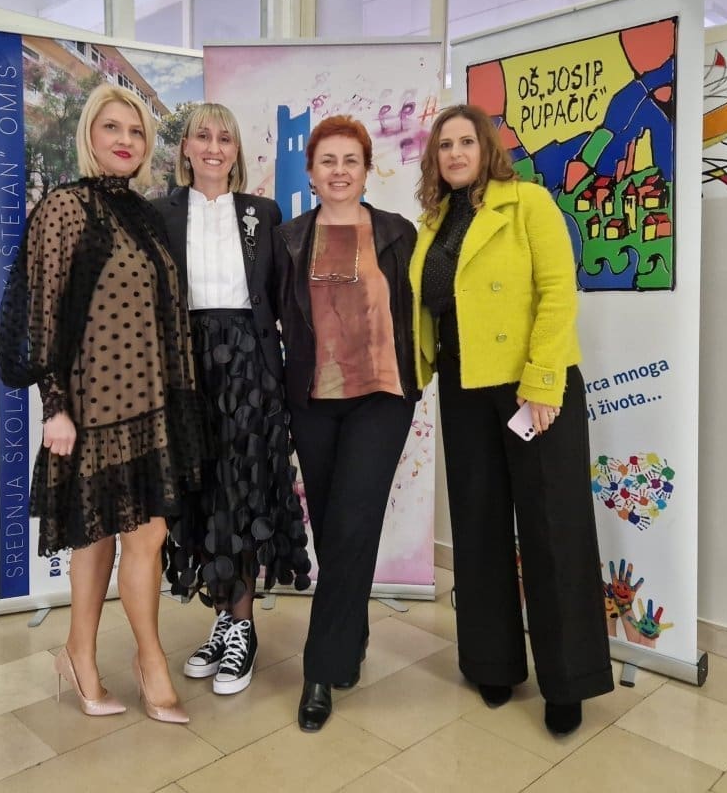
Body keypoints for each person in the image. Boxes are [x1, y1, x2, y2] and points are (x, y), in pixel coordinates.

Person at [0, 83, 206, 724]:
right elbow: (43, 311)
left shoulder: (145, 214)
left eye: (136, 131)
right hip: (91, 406)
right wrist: (54, 405)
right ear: (89, 134)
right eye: (112, 127)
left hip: (149, 405)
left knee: (142, 534)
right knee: (96, 539)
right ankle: (87, 658)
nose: (125, 140)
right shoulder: (65, 207)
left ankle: (140, 659)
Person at [410, 104, 613, 736]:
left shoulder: (529, 203)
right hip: (464, 384)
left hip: (533, 386)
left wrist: (545, 380)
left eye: (466, 142)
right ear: (435, 158)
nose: (455, 153)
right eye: (445, 145)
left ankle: (568, 680)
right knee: (478, 525)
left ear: (487, 149)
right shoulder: (433, 220)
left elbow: (557, 292)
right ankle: (491, 662)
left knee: (554, 529)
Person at [153, 103, 311, 696]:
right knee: (202, 493)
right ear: (186, 147)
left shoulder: (261, 213)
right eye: (203, 136)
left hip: (248, 362)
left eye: (225, 137)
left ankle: (242, 627)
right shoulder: (160, 213)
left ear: (237, 150)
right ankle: (223, 620)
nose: (214, 147)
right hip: (186, 364)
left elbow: (282, 298)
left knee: (242, 494)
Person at [273, 115, 420, 732]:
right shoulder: (287, 240)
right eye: (327, 161)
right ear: (310, 172)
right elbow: (273, 320)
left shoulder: (397, 232)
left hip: (381, 398)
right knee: (335, 530)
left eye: (350, 160)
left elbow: (420, 308)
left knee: (354, 522)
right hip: (313, 401)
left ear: (366, 170)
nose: (339, 171)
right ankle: (351, 632)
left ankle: (319, 670)